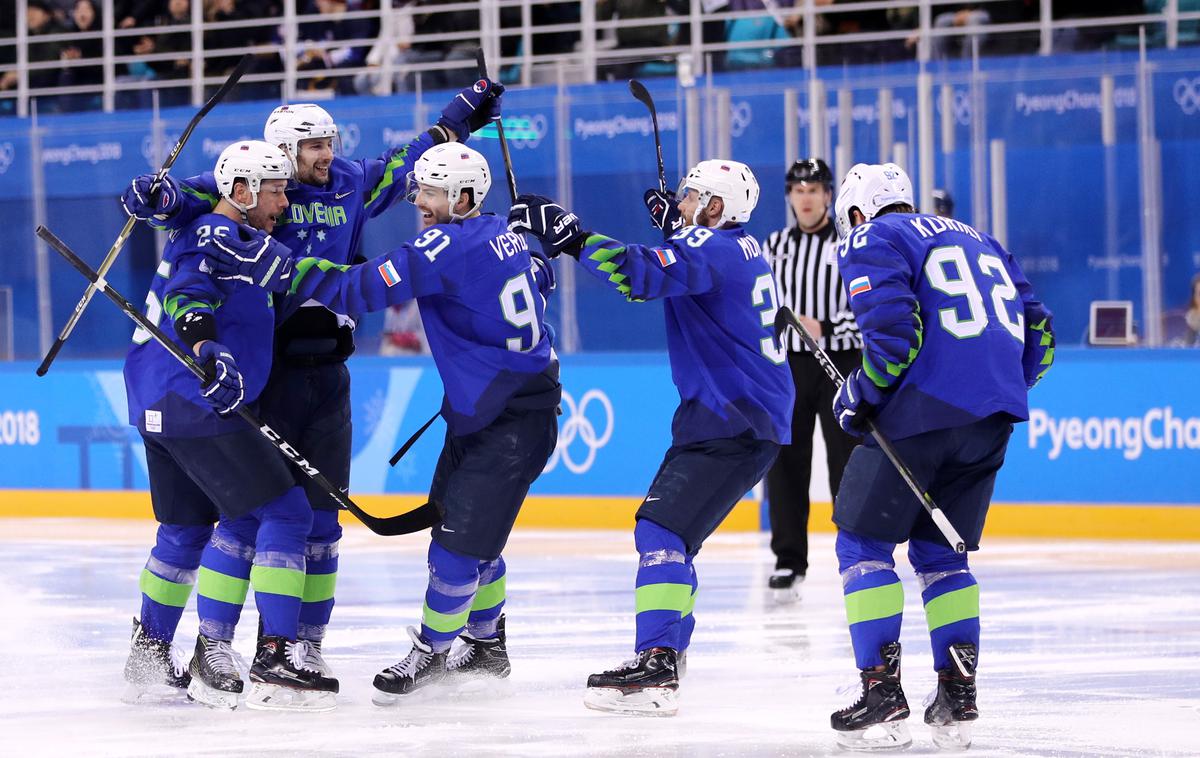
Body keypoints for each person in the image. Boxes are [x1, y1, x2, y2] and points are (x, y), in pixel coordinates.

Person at [121, 80, 503, 684]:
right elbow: (193, 201)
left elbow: (409, 162)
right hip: (260, 379)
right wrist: (157, 197)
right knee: (250, 519)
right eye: (312, 146)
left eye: (329, 141)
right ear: (275, 158)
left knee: (321, 522)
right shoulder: (253, 192)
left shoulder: (350, 182)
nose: (326, 155)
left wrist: (459, 117)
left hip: (327, 374)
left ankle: (303, 644)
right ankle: (220, 644)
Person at [201, 143, 561, 703]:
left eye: (431, 191)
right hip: (493, 411)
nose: (416, 199)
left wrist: (276, 265)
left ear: (463, 198)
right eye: (418, 187)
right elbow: (526, 282)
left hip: (509, 419)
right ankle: (487, 643)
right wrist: (537, 266)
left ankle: (432, 652)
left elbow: (355, 289)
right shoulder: (501, 234)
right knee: (466, 532)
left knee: (458, 549)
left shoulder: (442, 245)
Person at [507, 160, 794, 716]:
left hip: (730, 419)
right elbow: (691, 264)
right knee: (673, 539)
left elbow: (639, 275)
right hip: (743, 417)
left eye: (690, 198)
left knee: (660, 531)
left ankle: (657, 663)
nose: (679, 202)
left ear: (715, 208)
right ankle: (669, 655)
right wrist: (677, 227)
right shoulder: (739, 247)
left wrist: (571, 235)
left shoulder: (710, 250)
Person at [825, 163, 1054, 750]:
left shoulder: (872, 235)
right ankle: (958, 691)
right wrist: (1002, 389)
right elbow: (1042, 334)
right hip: (993, 418)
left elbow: (894, 340)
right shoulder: (982, 238)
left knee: (862, 544)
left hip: (921, 414)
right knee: (940, 552)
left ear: (856, 211)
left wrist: (858, 395)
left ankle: (881, 688)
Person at [123, 140, 340, 712]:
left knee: (183, 531)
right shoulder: (219, 236)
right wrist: (205, 347)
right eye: (275, 190)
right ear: (242, 192)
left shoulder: (224, 231)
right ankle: (274, 651)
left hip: (156, 401)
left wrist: (163, 198)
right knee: (286, 512)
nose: (285, 201)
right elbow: (188, 296)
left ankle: (149, 652)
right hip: (197, 403)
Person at [761, 158, 860, 600]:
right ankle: (787, 558)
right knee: (785, 461)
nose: (806, 197)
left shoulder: (850, 243)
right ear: (790, 196)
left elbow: (866, 308)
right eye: (798, 190)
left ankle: (857, 552)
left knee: (848, 459)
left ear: (828, 195)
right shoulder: (773, 245)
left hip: (841, 362)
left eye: (814, 189)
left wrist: (826, 326)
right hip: (789, 366)